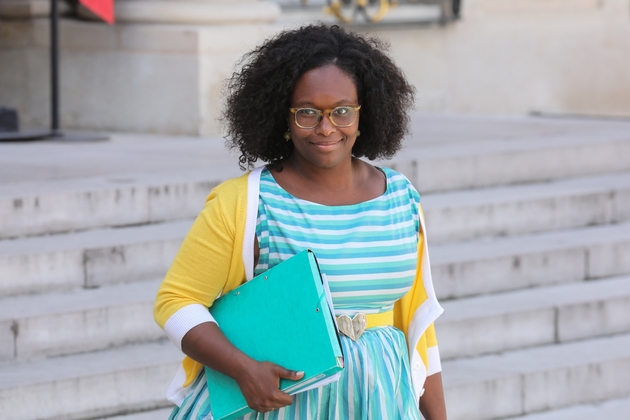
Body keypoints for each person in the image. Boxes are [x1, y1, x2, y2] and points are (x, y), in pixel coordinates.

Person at [154, 24, 446, 420]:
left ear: (365, 113)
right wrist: (242, 369)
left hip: (377, 400)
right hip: (273, 402)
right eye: (307, 112)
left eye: (342, 111)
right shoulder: (244, 202)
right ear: (283, 117)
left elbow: (419, 328)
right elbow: (176, 302)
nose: (326, 128)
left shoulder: (401, 198)